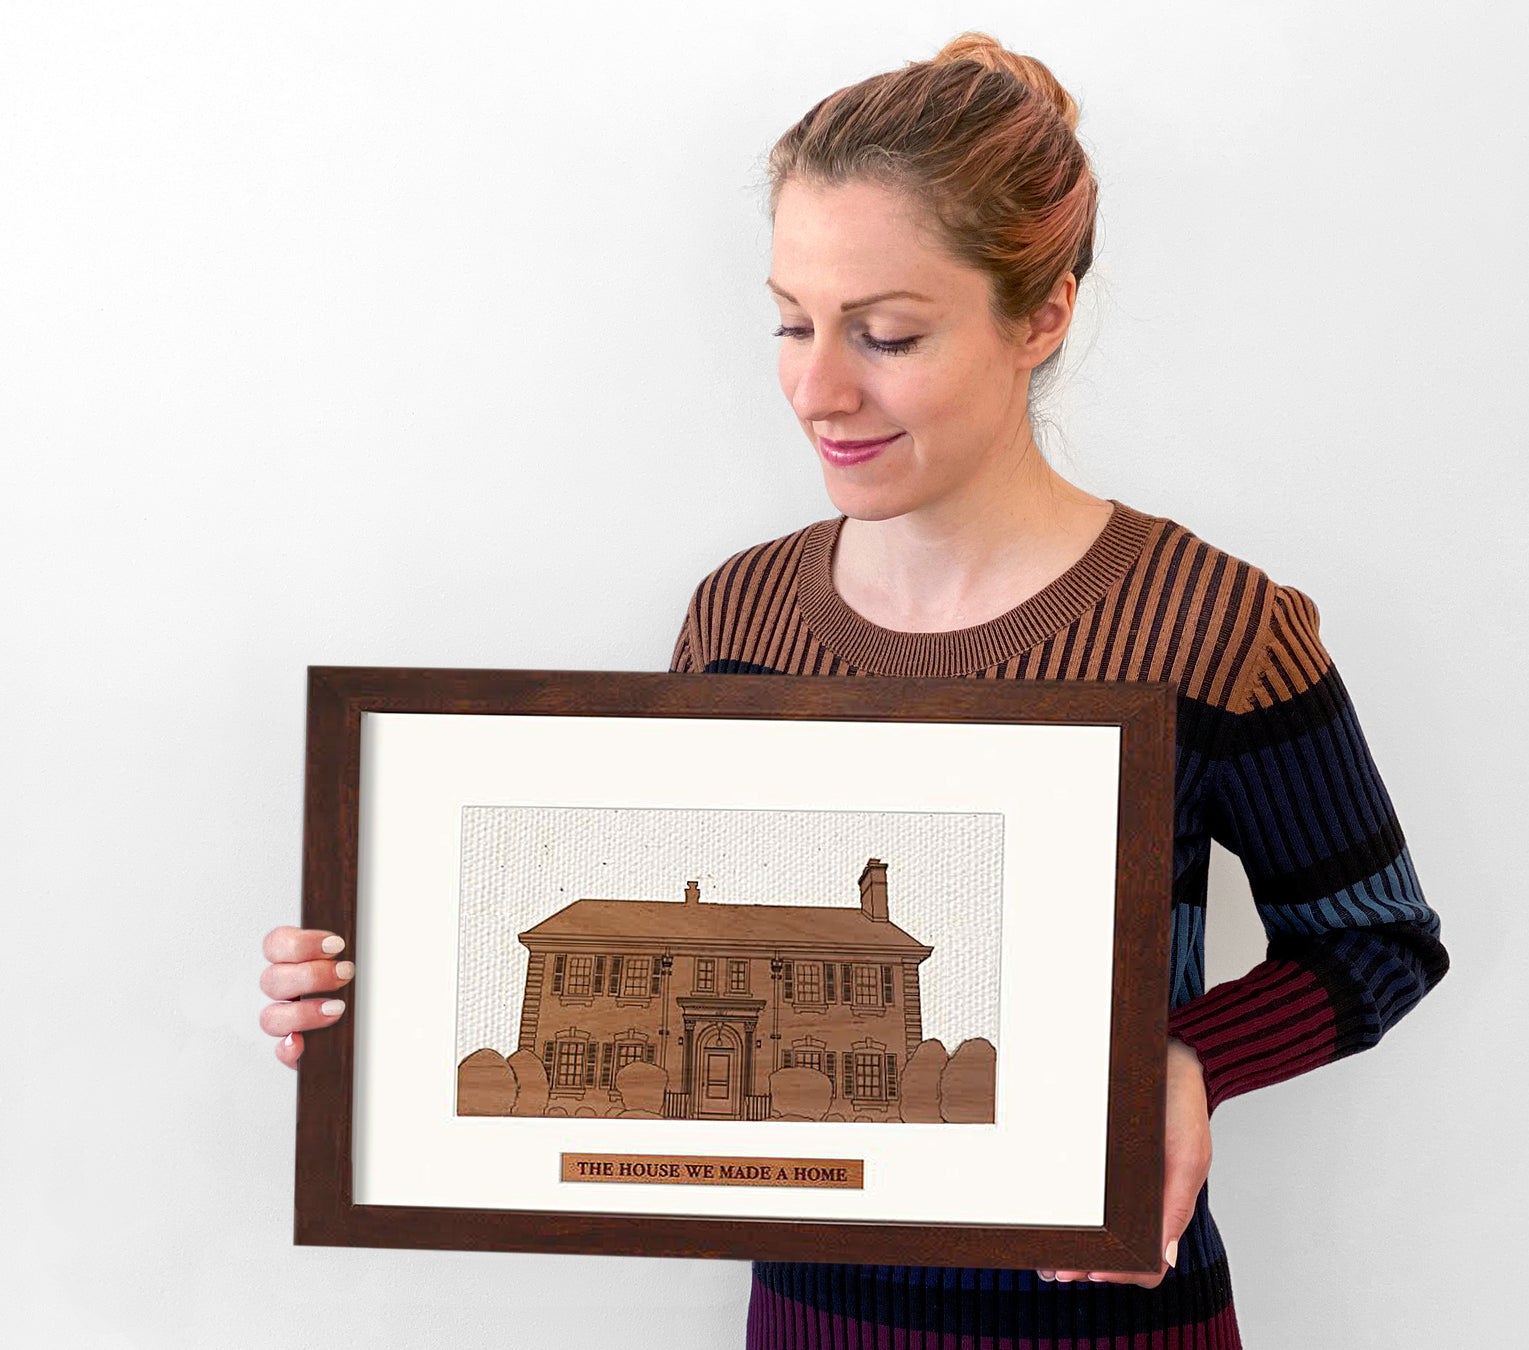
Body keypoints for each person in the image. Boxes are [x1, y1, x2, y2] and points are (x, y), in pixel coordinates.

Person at [259, 31, 1450, 1347]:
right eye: (792, 321)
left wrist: (1190, 1058)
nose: (817, 389)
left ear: (1042, 314)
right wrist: (379, 994)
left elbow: (1378, 935)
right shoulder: (739, 618)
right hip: (808, 1322)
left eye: (886, 334)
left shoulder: (1214, 625)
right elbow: (667, 908)